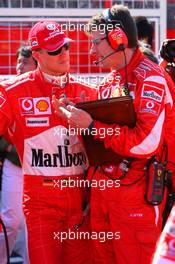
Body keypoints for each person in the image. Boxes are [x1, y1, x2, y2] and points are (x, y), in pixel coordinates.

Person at [54, 4, 175, 264]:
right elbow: (102, 136)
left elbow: (146, 143)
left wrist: (92, 125)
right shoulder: (111, 80)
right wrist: (77, 112)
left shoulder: (151, 79)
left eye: (96, 43)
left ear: (118, 38)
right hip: (104, 195)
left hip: (136, 197)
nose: (91, 50)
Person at [0, 20, 97, 264]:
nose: (64, 54)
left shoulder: (88, 92)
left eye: (65, 46)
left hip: (81, 202)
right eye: (55, 50)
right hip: (41, 202)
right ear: (37, 54)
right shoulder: (11, 92)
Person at [0, 45, 37, 264]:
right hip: (15, 164)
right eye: (18, 62)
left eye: (25, 62)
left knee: (32, 223)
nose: (19, 67)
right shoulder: (5, 90)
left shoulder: (48, 89)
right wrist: (7, 148)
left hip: (41, 167)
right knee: (10, 219)